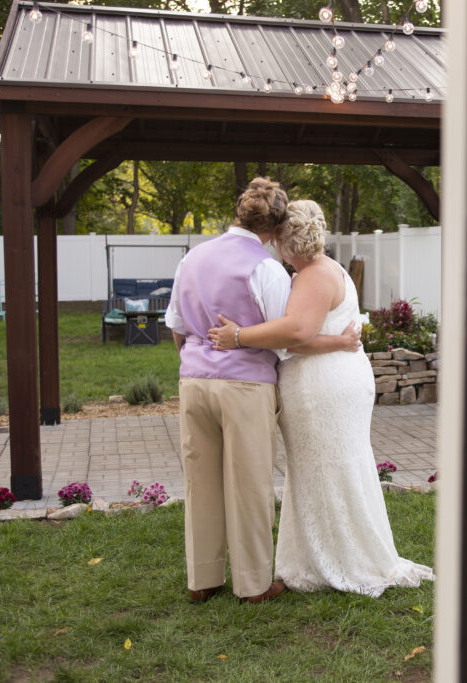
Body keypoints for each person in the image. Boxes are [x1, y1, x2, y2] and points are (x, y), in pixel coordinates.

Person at [207, 199, 434, 597]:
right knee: (331, 470)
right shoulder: (330, 269)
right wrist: (341, 340)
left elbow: (296, 335)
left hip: (322, 389)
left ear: (284, 241)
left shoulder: (310, 277)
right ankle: (318, 559)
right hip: (335, 382)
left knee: (328, 471)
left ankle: (342, 562)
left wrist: (238, 336)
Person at [164, 179, 360, 605]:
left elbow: (177, 328)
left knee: (201, 481)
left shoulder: (192, 258)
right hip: (245, 387)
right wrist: (340, 342)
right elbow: (290, 339)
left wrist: (197, 364)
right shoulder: (266, 269)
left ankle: (203, 579)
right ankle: (253, 585)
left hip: (193, 383)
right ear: (273, 230)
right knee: (249, 484)